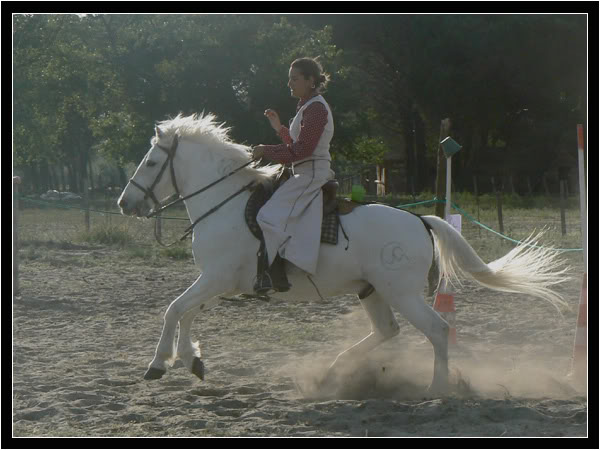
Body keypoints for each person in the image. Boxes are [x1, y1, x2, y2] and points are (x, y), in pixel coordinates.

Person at [252, 57, 335, 294]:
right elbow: (298, 144)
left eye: (294, 78)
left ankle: (273, 273)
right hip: (304, 171)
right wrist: (279, 129)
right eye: (289, 78)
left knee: (267, 216)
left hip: (310, 174)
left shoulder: (317, 108)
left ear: (310, 81)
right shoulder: (307, 106)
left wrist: (265, 150)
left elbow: (301, 151)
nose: (289, 83)